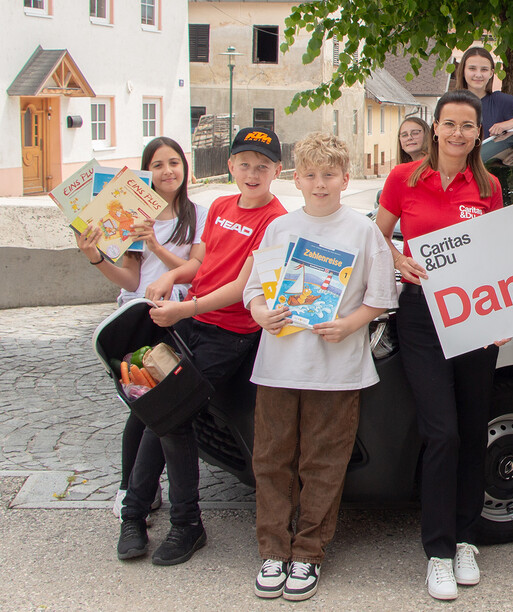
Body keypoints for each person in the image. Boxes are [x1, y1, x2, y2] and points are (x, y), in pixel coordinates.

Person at [119, 127, 286, 566]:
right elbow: (202, 264)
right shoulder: (223, 206)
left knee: (169, 412)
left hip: (229, 335)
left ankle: (168, 521)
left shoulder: (276, 221)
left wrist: (185, 309)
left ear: (277, 172)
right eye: (244, 163)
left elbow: (241, 288)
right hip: (192, 321)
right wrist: (171, 276)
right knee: (158, 407)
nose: (253, 173)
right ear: (230, 166)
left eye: (262, 166)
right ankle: (150, 517)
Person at [244, 132, 396, 601]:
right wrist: (260, 313)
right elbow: (253, 289)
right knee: (271, 459)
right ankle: (273, 549)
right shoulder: (280, 229)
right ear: (296, 180)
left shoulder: (363, 230)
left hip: (336, 369)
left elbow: (382, 297)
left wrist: (350, 323)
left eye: (329, 175)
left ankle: (308, 552)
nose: (320, 183)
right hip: (279, 365)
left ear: (346, 179)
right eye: (310, 175)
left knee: (323, 463)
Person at [375, 89, 504, 601]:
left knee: (473, 430)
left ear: (477, 132)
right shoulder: (402, 179)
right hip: (421, 317)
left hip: (475, 318)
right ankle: (437, 551)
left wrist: (507, 312)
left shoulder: (489, 185)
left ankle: (467, 538)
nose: (456, 133)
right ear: (435, 128)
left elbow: (498, 255)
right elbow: (375, 237)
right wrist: (397, 258)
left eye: (466, 126)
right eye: (448, 124)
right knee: (442, 433)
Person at [75, 137, 208, 521]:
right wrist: (95, 256)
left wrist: (156, 243)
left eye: (174, 163)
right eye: (157, 164)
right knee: (141, 403)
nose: (167, 171)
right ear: (145, 172)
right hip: (141, 318)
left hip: (182, 316)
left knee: (162, 405)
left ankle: (137, 489)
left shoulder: (199, 213)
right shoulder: (133, 214)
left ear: (185, 168)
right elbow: (131, 279)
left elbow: (197, 267)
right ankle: (131, 489)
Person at [455, 46, 513, 139]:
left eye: (484, 69)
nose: (478, 74)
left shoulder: (499, 100)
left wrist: (511, 123)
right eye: (472, 68)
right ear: (463, 71)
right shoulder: (450, 103)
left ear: (491, 73)